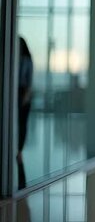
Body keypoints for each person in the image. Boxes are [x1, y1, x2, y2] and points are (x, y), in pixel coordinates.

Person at [17, 36, 33, 189]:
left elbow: (29, 82)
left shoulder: (27, 60)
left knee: (22, 124)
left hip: (23, 95)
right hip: (16, 93)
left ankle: (19, 150)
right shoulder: (13, 59)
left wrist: (25, 98)